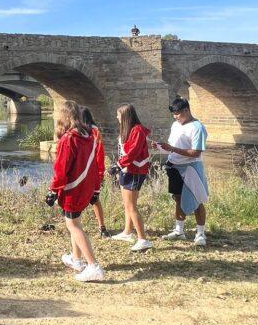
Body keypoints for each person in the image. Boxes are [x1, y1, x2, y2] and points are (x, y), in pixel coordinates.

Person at [47, 100, 105, 283]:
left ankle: (93, 266)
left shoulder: (68, 139)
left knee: (73, 225)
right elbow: (95, 165)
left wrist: (53, 190)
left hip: (73, 188)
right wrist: (95, 187)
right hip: (85, 186)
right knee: (76, 223)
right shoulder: (89, 136)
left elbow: (62, 169)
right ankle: (76, 259)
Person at [158, 97, 210, 246]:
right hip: (174, 166)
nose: (175, 117)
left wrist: (172, 149)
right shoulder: (175, 125)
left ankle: (200, 234)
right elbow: (173, 146)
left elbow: (196, 152)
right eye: (174, 114)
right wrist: (163, 147)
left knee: (196, 200)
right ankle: (179, 231)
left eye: (178, 114)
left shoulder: (197, 127)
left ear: (187, 110)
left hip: (191, 168)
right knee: (178, 198)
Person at [109, 103, 154, 252]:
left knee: (132, 206)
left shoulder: (137, 130)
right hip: (126, 169)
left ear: (125, 116)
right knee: (127, 204)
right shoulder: (127, 129)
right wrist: (120, 167)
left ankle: (143, 240)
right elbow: (124, 150)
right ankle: (127, 232)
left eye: (118, 115)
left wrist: (118, 165)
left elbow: (133, 152)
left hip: (135, 170)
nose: (116, 117)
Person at [80, 107, 111, 238]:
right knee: (95, 199)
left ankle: (77, 227)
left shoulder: (79, 132)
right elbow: (100, 155)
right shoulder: (96, 131)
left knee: (78, 199)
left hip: (80, 172)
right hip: (93, 172)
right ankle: (102, 227)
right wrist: (100, 173)